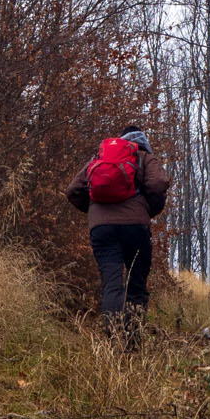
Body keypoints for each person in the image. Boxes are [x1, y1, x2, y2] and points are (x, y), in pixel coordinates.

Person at [66, 125, 173, 342]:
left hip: (102, 230)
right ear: (144, 140)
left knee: (111, 282)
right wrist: (148, 208)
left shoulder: (100, 158)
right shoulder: (144, 157)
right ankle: (133, 341)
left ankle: (115, 339)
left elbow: (73, 191)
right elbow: (159, 183)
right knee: (137, 281)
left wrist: (97, 210)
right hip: (136, 227)